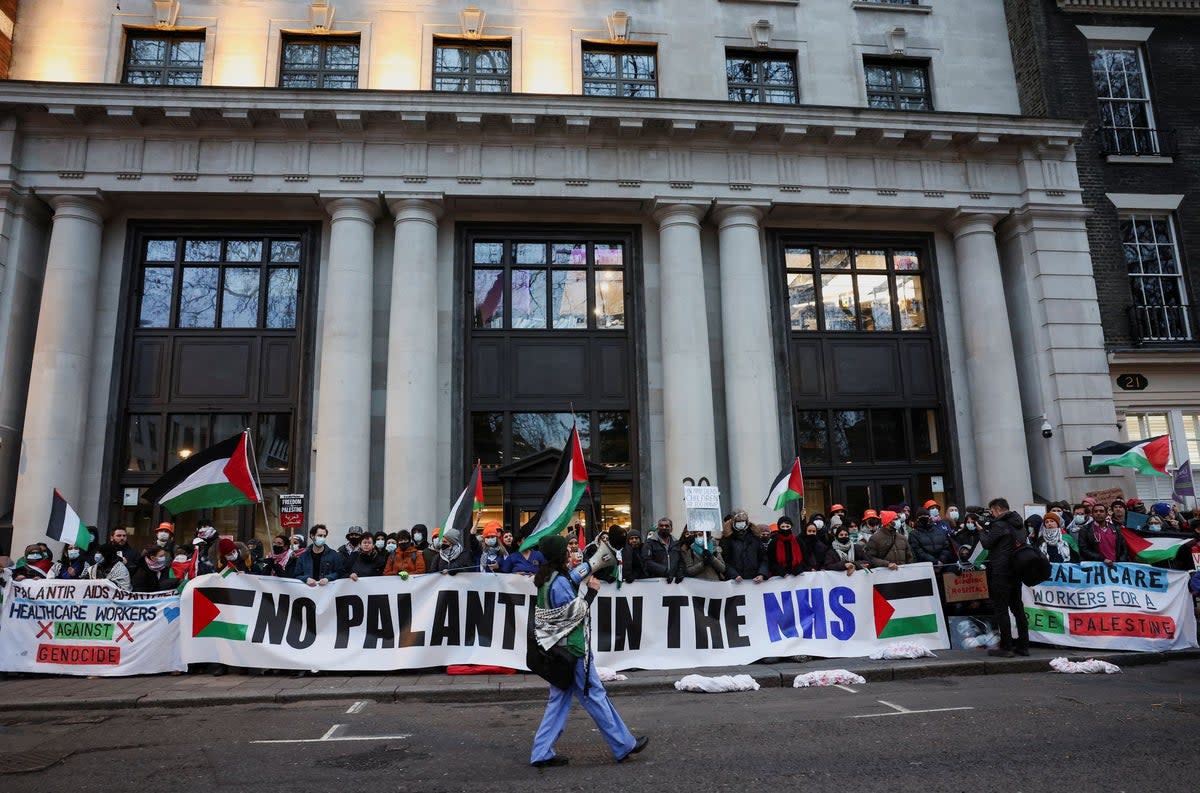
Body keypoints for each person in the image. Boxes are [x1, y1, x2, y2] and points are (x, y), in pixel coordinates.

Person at [529, 534, 648, 768]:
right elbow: (573, 614)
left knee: (559, 703)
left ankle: (541, 752)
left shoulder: (547, 578)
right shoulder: (559, 581)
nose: (569, 552)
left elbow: (570, 581)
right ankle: (623, 745)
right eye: (566, 550)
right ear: (561, 554)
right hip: (573, 651)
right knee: (595, 695)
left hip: (558, 653)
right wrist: (592, 591)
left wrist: (590, 565)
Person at [980, 497, 1029, 658]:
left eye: (992, 511)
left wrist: (981, 530)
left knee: (1001, 609)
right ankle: (1023, 645)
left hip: (1001, 571)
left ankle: (1006, 646)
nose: (992, 515)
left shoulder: (999, 524)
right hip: (1017, 570)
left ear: (998, 509)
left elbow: (987, 543)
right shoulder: (1019, 524)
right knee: (1018, 608)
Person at [722, 509, 767, 583]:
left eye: (743, 521)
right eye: (738, 522)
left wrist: (761, 574)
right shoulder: (727, 539)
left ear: (747, 522)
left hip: (754, 580)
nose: (741, 523)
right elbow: (725, 561)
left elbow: (763, 558)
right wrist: (734, 575)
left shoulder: (755, 537)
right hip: (735, 582)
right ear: (733, 522)